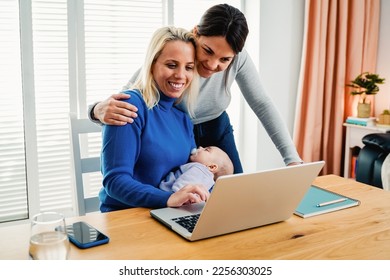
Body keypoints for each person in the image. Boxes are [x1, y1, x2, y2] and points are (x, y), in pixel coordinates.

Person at [89, 4, 303, 174]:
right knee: (184, 200)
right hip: (178, 134)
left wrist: (292, 159)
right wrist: (96, 110)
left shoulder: (238, 59)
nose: (212, 64)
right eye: (207, 51)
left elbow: (262, 104)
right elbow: (127, 98)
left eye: (224, 59)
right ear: (196, 34)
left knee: (234, 197)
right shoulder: (177, 55)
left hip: (217, 130)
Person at [99, 26, 210, 212]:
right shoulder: (129, 105)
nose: (181, 75)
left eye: (189, 67)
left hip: (168, 213)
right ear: (152, 64)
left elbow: (189, 172)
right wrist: (168, 198)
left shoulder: (183, 118)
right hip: (127, 216)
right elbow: (115, 181)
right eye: (172, 65)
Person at [159, 146, 234, 193]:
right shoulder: (209, 183)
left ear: (212, 167)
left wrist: (172, 197)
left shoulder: (200, 170)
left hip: (166, 194)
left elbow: (180, 190)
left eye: (206, 150)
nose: (200, 147)